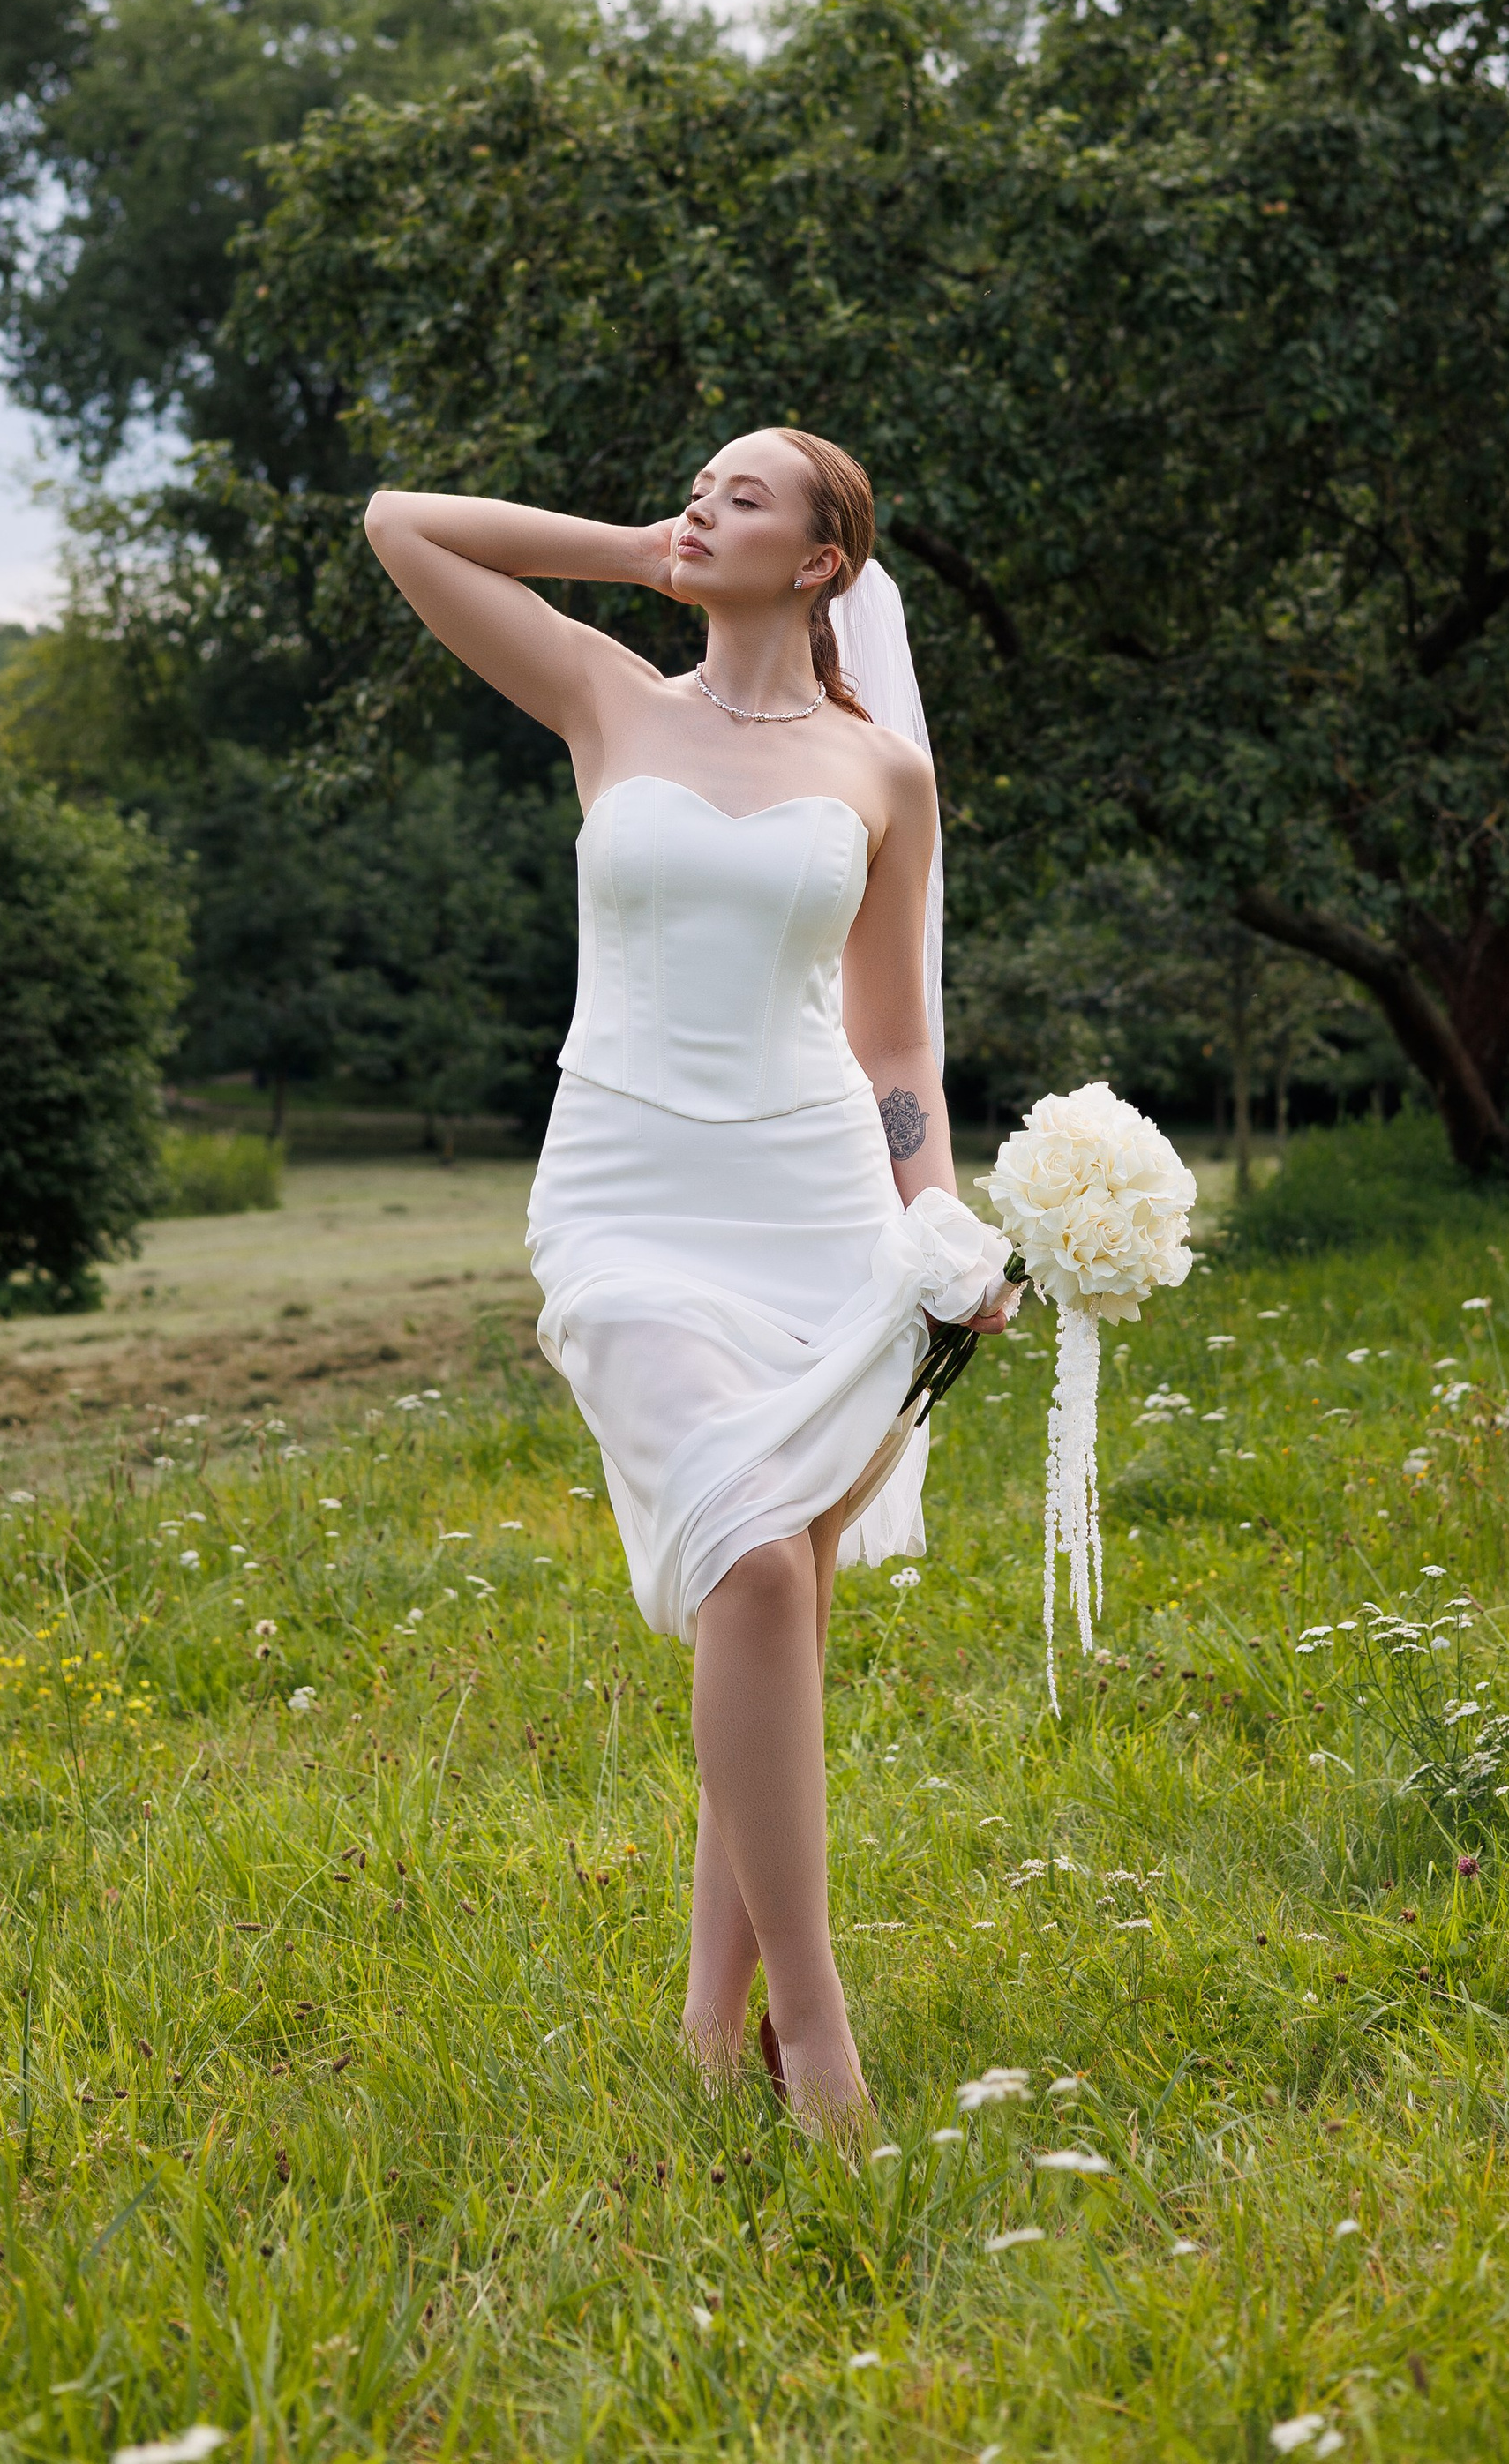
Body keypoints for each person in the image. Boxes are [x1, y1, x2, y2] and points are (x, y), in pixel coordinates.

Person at [363, 428, 1013, 2134]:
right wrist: (637, 548)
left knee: (770, 1590)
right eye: (699, 486)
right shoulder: (607, 699)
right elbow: (402, 524)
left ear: (823, 567)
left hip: (812, 1205)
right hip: (627, 1198)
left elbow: (896, 1047)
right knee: (754, 1559)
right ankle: (825, 2043)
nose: (703, 503)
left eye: (744, 496)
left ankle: (711, 2032)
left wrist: (939, 1233)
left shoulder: (884, 779)